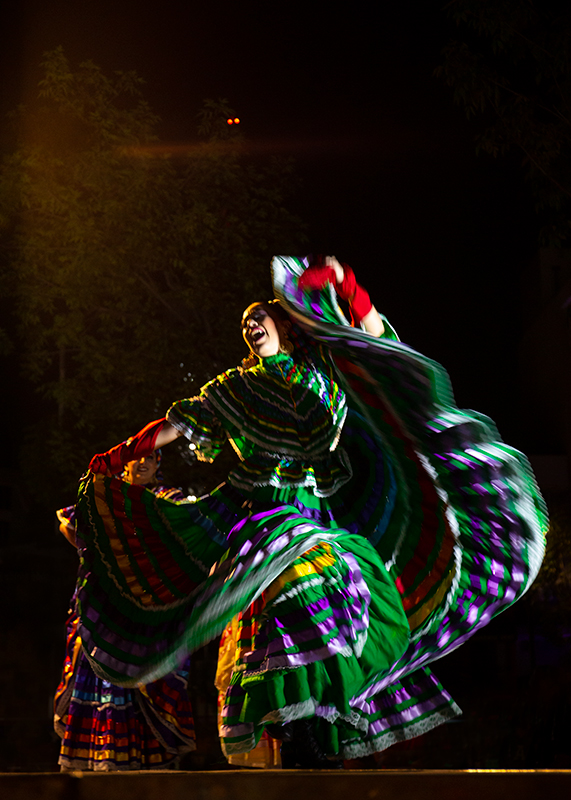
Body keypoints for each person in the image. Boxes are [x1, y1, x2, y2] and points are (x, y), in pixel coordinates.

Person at [72, 255, 547, 766]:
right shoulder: (234, 388)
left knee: (352, 595)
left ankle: (314, 722)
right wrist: (122, 454)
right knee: (303, 579)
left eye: (260, 317)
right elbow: (178, 425)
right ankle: (300, 728)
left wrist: (349, 288)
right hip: (265, 518)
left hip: (317, 516)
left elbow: (374, 340)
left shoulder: (322, 373)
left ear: (282, 323)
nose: (251, 326)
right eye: (245, 324)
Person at [54, 452, 196, 771]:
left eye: (151, 457)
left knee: (145, 679)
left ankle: (148, 763)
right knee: (101, 674)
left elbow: (193, 529)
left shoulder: (167, 499)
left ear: (160, 464)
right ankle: (100, 757)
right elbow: (68, 520)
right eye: (136, 457)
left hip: (147, 610)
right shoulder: (107, 495)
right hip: (104, 606)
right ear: (125, 463)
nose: (142, 463)